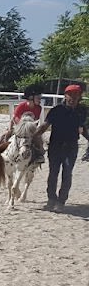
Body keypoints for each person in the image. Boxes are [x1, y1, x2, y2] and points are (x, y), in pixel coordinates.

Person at [38, 83, 87, 211]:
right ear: (65, 96)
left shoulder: (82, 111)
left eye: (76, 95)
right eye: (70, 95)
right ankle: (51, 199)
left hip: (71, 147)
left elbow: (82, 128)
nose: (73, 98)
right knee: (53, 173)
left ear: (80, 97)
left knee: (67, 173)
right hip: (55, 146)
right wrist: (33, 136)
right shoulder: (56, 110)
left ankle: (61, 201)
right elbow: (45, 126)